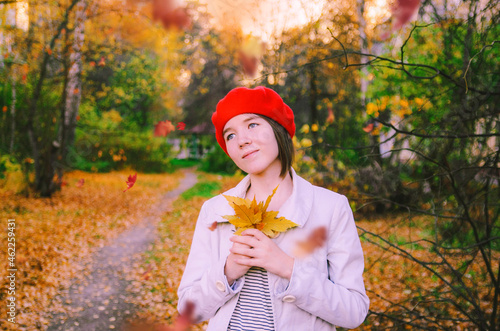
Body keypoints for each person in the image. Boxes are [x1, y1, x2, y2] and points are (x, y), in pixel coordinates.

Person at [177, 86, 369, 330]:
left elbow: (354, 311)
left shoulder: (330, 208)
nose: (242, 140)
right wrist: (227, 272)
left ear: (278, 129)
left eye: (252, 124)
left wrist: (287, 268)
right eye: (230, 135)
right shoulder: (215, 211)